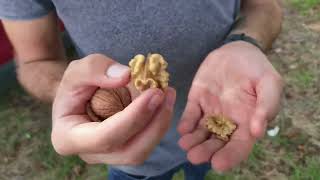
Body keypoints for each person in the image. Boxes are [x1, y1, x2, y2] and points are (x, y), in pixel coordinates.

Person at [0, 1, 283, 179]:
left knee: (199, 169)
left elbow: (263, 6)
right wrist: (71, 91)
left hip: (213, 127)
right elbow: (35, 61)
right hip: (132, 153)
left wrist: (247, 41)